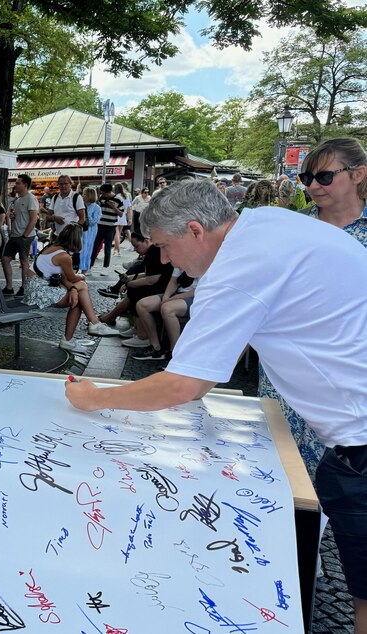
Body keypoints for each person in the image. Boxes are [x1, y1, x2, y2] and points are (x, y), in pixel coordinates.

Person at [64, 179, 367, 634]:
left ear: (194, 230)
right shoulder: (267, 225)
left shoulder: (240, 266)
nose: (164, 260)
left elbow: (184, 384)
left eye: (165, 247)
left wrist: (95, 398)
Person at [259, 137, 367, 475]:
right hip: (286, 372)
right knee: (281, 472)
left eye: (324, 177)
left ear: (358, 174)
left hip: (347, 377)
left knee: (343, 479)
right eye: (306, 179)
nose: (313, 187)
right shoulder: (293, 228)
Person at [23, 223, 121, 354]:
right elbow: (73, 278)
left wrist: (73, 289)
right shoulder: (64, 257)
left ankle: (76, 336)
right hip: (38, 291)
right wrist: (81, 277)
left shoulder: (53, 247)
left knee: (79, 297)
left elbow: (65, 279)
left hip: (35, 287)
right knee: (82, 285)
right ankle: (92, 325)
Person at [1, 174, 40, 296]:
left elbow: (34, 219)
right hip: (14, 235)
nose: (15, 185)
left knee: (24, 262)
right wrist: (12, 218)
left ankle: (24, 287)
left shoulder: (31, 199)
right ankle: (9, 287)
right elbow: (16, 216)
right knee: (5, 259)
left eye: (18, 183)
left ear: (25, 185)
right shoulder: (16, 200)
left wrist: (25, 235)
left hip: (25, 236)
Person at [90, 183, 120, 271]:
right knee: (95, 246)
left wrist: (114, 207)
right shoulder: (102, 198)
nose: (102, 194)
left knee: (107, 248)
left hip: (110, 227)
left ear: (109, 192)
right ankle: (90, 266)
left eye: (103, 193)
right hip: (100, 225)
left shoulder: (118, 199)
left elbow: (121, 214)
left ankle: (105, 267)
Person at [79, 187, 101, 272]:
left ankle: (84, 268)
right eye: (83, 194)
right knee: (80, 248)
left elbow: (94, 221)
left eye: (85, 194)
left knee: (87, 248)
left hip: (90, 230)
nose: (83, 196)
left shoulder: (96, 207)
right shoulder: (80, 206)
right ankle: (78, 267)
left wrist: (85, 216)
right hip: (80, 230)